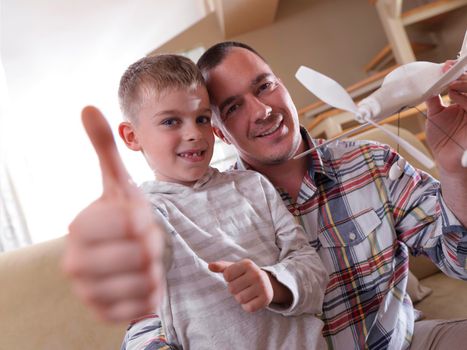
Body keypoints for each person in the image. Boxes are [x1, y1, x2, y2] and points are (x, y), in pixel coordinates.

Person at [65, 41, 467, 350]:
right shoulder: (172, 212)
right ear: (220, 131)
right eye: (234, 106)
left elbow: (460, 259)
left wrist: (454, 170)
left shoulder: (372, 164)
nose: (260, 111)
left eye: (265, 86)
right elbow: (146, 316)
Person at [64, 54, 329, 349]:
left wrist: (272, 283)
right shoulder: (147, 213)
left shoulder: (253, 186)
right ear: (131, 136)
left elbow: (313, 270)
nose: (193, 134)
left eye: (202, 119)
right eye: (170, 121)